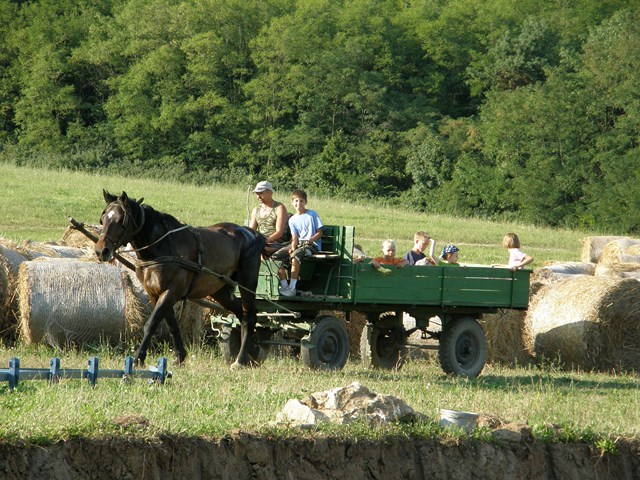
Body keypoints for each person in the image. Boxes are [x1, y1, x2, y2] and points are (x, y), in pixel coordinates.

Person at [278, 189, 324, 297]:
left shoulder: (312, 214)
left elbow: (320, 232)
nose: (298, 204)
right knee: (276, 257)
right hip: (299, 245)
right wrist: (292, 246)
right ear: (292, 202)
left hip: (312, 246)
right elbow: (295, 237)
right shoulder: (292, 219)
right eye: (296, 201)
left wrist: (312, 239)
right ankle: (285, 285)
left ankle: (292, 287)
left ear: (305, 202)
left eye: (301, 201)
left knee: (295, 257)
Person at [248, 181, 289, 254]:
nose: (258, 196)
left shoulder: (279, 208)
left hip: (275, 243)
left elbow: (279, 232)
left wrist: (265, 242)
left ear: (270, 193)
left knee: (257, 250)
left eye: (261, 193)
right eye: (257, 193)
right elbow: (251, 231)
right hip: (260, 242)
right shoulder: (256, 210)